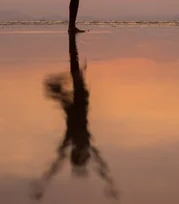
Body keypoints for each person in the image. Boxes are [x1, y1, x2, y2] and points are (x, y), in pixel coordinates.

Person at [31, 33, 119, 201]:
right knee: (74, 76)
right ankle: (73, 66)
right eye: (83, 155)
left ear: (76, 154)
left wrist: (43, 184)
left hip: (72, 107)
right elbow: (100, 164)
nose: (82, 152)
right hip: (79, 103)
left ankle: (73, 66)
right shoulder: (84, 141)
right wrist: (110, 183)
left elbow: (56, 164)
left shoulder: (72, 141)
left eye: (79, 155)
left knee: (64, 81)